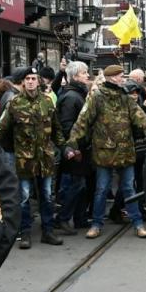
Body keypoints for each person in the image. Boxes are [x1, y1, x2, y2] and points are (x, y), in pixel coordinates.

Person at [65, 64, 146, 240]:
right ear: (112, 77)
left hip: (125, 151)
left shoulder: (125, 96)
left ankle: (137, 223)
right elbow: (82, 121)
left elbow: (139, 116)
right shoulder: (97, 97)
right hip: (104, 152)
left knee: (129, 188)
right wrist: (72, 143)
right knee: (101, 189)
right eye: (121, 76)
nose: (123, 78)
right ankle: (96, 224)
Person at [0, 67, 66, 248]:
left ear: (38, 81)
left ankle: (48, 231)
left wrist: (65, 147)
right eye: (28, 79)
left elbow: (56, 128)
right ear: (23, 82)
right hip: (24, 159)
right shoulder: (15, 103)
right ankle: (25, 233)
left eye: (34, 78)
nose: (31, 81)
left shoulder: (48, 102)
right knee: (24, 197)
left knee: (47, 196)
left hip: (45, 158)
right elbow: (1, 129)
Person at [55, 61, 92, 234]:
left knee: (80, 184)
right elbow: (67, 125)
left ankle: (79, 218)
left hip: (81, 148)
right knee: (76, 184)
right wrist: (72, 148)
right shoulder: (71, 97)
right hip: (75, 149)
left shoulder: (77, 94)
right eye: (84, 73)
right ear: (75, 76)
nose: (87, 76)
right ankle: (63, 218)